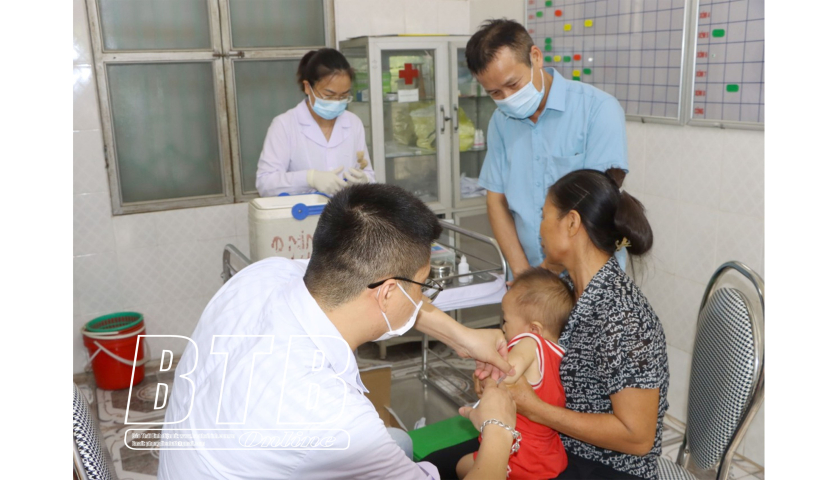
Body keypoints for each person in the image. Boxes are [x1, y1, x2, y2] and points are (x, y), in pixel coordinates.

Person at [158, 183, 520, 480]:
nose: (422, 298)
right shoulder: (332, 414)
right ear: (388, 293)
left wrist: (463, 337)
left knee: (398, 443)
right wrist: (498, 427)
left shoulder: (263, 275)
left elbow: (363, 282)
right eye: (422, 286)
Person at [426, 170, 668, 479]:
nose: (539, 227)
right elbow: (535, 353)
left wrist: (533, 408)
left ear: (571, 223)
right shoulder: (561, 289)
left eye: (544, 216)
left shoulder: (624, 317)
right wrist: (498, 369)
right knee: (432, 468)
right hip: (547, 443)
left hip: (602, 466)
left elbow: (638, 438)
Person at [465, 20, 629, 277]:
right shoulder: (501, 121)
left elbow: (598, 203)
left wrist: (547, 272)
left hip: (587, 274)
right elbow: (496, 200)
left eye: (513, 84)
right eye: (495, 93)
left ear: (535, 57)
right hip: (529, 273)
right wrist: (522, 273)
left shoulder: (598, 109)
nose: (508, 99)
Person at [456, 267, 574, 480]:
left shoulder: (530, 342)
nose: (503, 327)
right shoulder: (556, 354)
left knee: (462, 466)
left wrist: (486, 365)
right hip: (547, 454)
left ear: (534, 329)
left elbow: (506, 373)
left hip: (521, 453)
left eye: (507, 320)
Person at [256, 48, 374, 197]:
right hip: (302, 211)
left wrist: (365, 181)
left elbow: (367, 172)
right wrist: (309, 178)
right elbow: (266, 184)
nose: (337, 102)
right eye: (328, 95)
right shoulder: (285, 125)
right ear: (308, 87)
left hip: (345, 210)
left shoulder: (353, 123)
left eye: (344, 96)